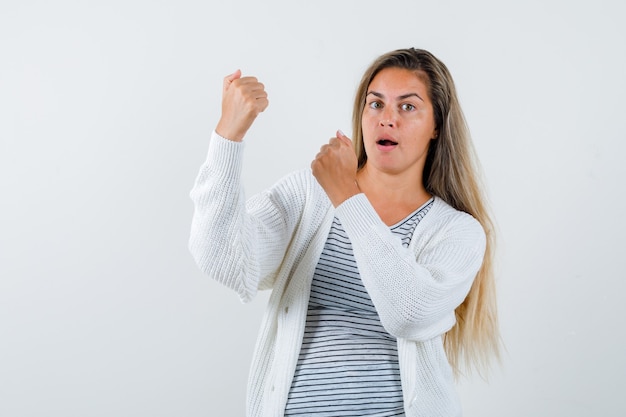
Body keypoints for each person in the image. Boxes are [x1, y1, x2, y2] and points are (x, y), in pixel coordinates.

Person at [189, 47, 500, 417]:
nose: (387, 120)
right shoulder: (310, 194)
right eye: (376, 104)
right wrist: (228, 135)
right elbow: (224, 260)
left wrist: (348, 198)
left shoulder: (457, 231)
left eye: (408, 106)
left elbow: (409, 313)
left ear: (436, 126)